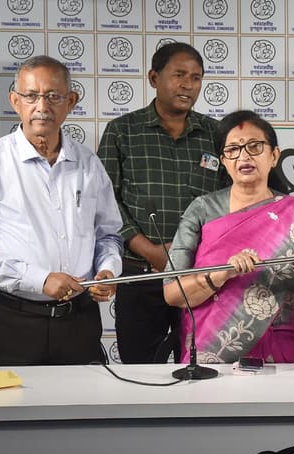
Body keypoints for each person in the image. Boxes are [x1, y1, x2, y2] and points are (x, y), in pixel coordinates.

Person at [0, 56, 122, 366]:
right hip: (11, 321)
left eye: (53, 96)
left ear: (71, 102)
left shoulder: (89, 164)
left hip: (79, 320)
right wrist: (39, 280)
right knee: (9, 398)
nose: (42, 106)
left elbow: (109, 235)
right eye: (31, 96)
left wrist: (108, 269)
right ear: (15, 101)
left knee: (83, 397)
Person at [163, 110, 294, 364]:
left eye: (254, 146)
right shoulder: (202, 209)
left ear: (274, 156)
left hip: (287, 353)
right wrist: (222, 273)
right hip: (214, 353)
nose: (244, 156)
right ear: (224, 161)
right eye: (233, 149)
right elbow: (173, 294)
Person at [98, 42, 230, 364]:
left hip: (199, 278)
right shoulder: (122, 132)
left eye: (196, 78)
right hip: (141, 276)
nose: (188, 85)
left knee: (205, 367)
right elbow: (105, 202)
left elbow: (231, 200)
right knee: (141, 371)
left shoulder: (215, 134)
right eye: (179, 75)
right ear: (153, 78)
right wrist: (149, 250)